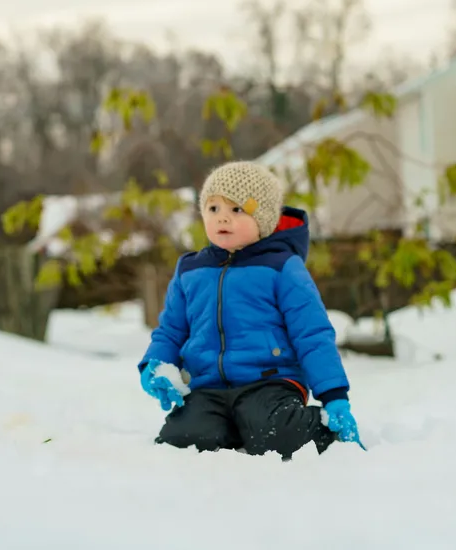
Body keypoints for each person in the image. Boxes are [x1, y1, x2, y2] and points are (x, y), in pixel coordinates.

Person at [136, 160, 364, 459]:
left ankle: (322, 431)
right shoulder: (190, 270)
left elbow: (312, 334)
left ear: (263, 218)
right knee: (182, 439)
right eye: (213, 209)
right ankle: (231, 427)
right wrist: (154, 365)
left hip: (270, 383)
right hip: (208, 388)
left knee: (275, 434)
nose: (223, 219)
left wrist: (334, 396)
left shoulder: (282, 267)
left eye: (237, 210)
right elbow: (172, 330)